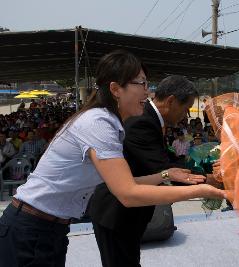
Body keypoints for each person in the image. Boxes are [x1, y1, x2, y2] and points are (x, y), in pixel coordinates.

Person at [0, 50, 225, 267]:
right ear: (116, 89)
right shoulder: (99, 124)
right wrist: (199, 190)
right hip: (30, 229)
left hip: (49, 229)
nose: (148, 93)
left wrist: (166, 174)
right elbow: (127, 193)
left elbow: (121, 182)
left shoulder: (111, 123)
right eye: (142, 84)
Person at [89, 74, 200, 267]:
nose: (186, 115)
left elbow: (163, 161)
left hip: (126, 214)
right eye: (186, 108)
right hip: (115, 214)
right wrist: (210, 181)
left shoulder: (150, 119)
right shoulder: (142, 121)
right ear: (171, 101)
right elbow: (164, 170)